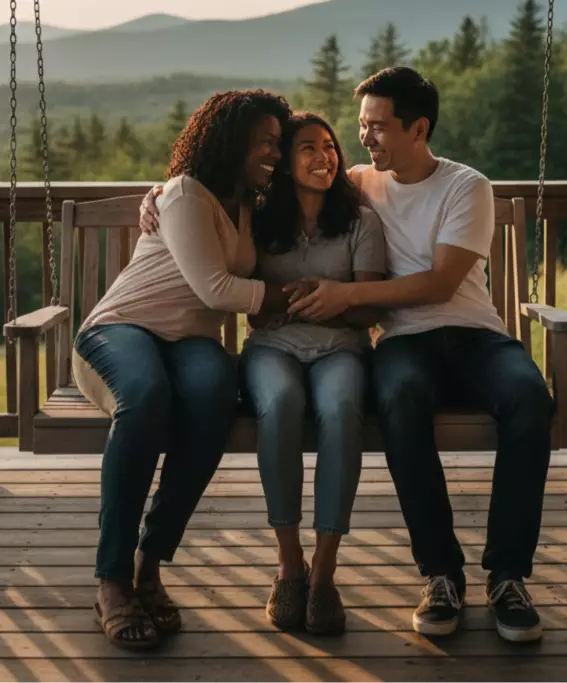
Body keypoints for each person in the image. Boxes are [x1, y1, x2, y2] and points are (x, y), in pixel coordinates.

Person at [285, 67, 553, 643]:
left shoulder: (466, 186)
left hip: (474, 333)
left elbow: (439, 283)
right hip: (404, 341)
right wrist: (163, 192)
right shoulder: (360, 181)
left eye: (379, 127)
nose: (366, 139)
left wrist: (349, 295)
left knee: (531, 399)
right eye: (362, 126)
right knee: (400, 399)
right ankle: (441, 574)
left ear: (419, 127)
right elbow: (281, 180)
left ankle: (507, 577)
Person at [72, 89, 300, 650]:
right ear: (231, 141)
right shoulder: (183, 193)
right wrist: (299, 296)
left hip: (189, 341)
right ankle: (111, 580)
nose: (274, 151)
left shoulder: (249, 202)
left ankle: (150, 563)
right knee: (146, 398)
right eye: (264, 142)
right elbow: (216, 288)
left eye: (278, 142)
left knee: (213, 394)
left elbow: (338, 180)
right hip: (122, 329)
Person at [242, 112, 386, 635]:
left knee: (342, 409)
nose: (323, 156)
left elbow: (367, 311)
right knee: (279, 405)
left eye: (329, 146)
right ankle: (289, 565)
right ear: (284, 162)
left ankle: (324, 572)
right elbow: (256, 313)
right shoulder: (258, 218)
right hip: (272, 348)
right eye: (307, 147)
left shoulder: (360, 222)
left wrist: (328, 301)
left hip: (340, 348)